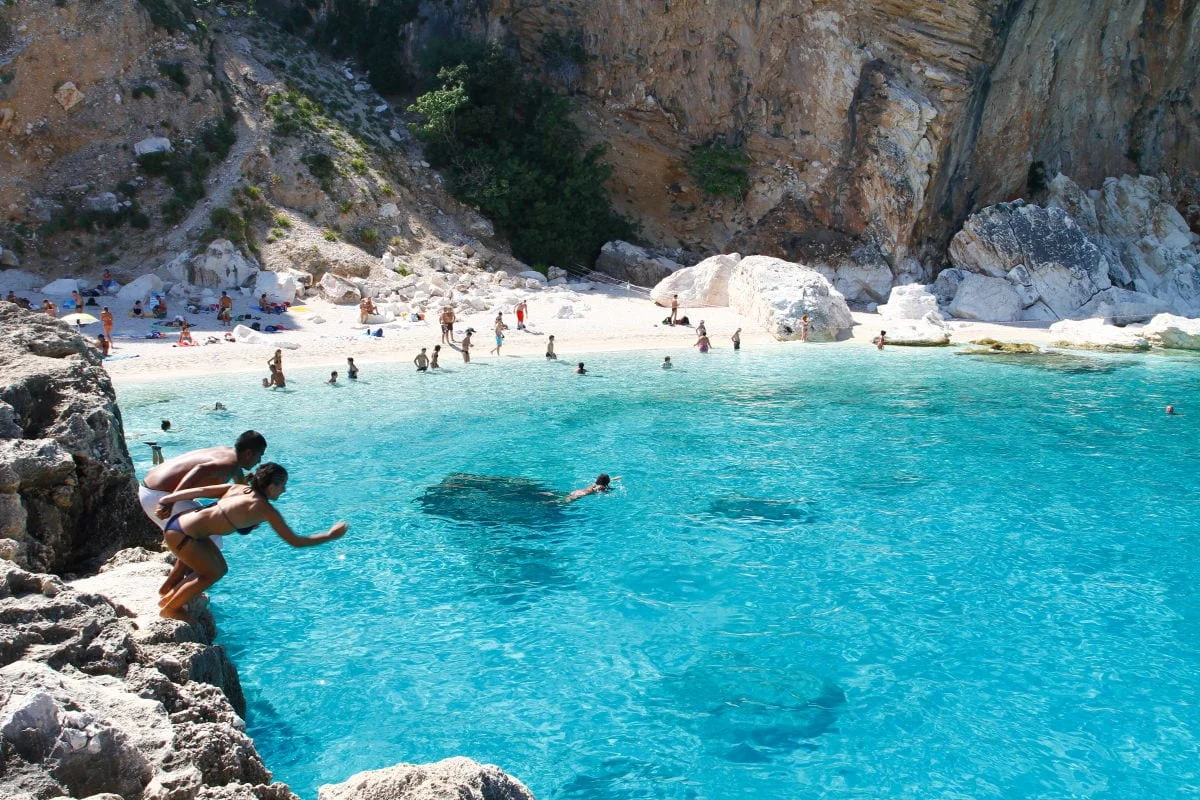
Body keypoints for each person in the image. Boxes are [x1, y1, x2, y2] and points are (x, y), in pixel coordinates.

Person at [152, 462, 348, 621]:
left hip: (180, 526)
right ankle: (171, 609)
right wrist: (330, 535)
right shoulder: (264, 509)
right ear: (271, 487)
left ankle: (168, 601)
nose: (284, 490)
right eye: (282, 486)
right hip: (183, 535)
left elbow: (201, 490)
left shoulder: (240, 489)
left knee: (219, 568)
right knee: (213, 572)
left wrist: (168, 500)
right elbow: (296, 541)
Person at [139, 431, 268, 599]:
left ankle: (172, 584)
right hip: (159, 496)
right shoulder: (228, 463)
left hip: (151, 489)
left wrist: (249, 515)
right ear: (249, 453)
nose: (259, 461)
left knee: (201, 531)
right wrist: (170, 501)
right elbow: (199, 469)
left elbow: (240, 487)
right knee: (209, 534)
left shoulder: (231, 456)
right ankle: (181, 589)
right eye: (260, 456)